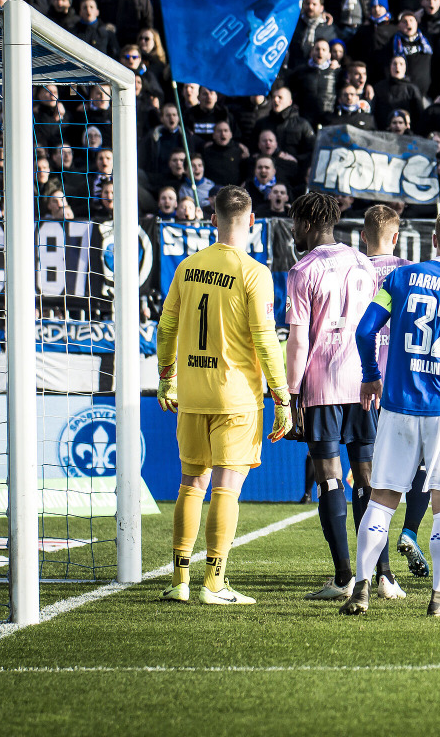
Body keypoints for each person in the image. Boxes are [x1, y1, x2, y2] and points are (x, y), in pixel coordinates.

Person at [345, 209, 440, 617]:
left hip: (398, 404)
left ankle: (361, 588)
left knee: (382, 500)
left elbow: (365, 331)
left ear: (433, 240)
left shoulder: (399, 278)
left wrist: (370, 375)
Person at [156, 185, 292, 605]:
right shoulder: (254, 272)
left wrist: (167, 377)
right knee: (226, 489)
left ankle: (180, 580)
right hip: (235, 398)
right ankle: (214, 581)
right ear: (251, 221)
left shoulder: (188, 266)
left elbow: (166, 327)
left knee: (190, 485)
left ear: (212, 219)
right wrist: (282, 398)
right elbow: (266, 340)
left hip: (193, 394)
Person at [283, 192, 390, 602]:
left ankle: (344, 575)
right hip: (364, 382)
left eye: (295, 222)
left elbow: (297, 340)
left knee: (329, 479)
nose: (294, 230)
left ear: (308, 223)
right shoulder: (364, 262)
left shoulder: (301, 270)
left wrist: (291, 393)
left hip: (322, 384)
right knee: (367, 480)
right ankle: (380, 575)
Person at [359, 206, 431, 579]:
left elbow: (359, 328)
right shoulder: (410, 273)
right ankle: (410, 531)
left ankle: (369, 571)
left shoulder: (354, 268)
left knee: (369, 474)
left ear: (362, 236)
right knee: (421, 465)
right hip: (405, 383)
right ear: (397, 236)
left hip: (360, 384)